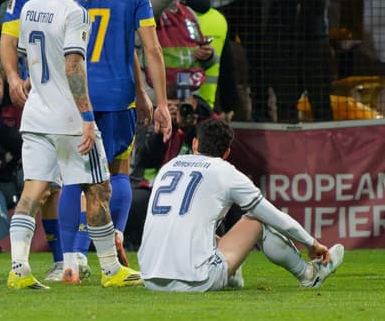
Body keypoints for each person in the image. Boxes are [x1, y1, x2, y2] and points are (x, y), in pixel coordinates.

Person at [7, 0, 141, 289]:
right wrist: (85, 116)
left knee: (33, 189)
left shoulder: (32, 5)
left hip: (35, 115)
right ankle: (112, 270)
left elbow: (29, 58)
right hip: (68, 118)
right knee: (99, 187)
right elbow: (72, 64)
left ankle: (18, 269)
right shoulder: (76, 12)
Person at [59, 0, 170, 275]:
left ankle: (73, 258)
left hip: (75, 96)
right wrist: (157, 99)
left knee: (73, 178)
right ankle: (116, 234)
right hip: (118, 94)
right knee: (118, 169)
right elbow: (149, 49)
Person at [139, 118, 344, 292]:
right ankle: (309, 274)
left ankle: (233, 275)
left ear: (195, 144)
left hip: (150, 278)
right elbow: (275, 217)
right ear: (227, 152)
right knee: (258, 220)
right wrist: (311, 243)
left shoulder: (169, 167)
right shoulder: (225, 171)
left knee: (198, 231)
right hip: (197, 281)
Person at [0, 0, 73, 282]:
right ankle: (66, 260)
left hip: (72, 101)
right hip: (46, 100)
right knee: (47, 185)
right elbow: (8, 41)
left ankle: (64, 261)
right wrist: (13, 78)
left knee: (57, 187)